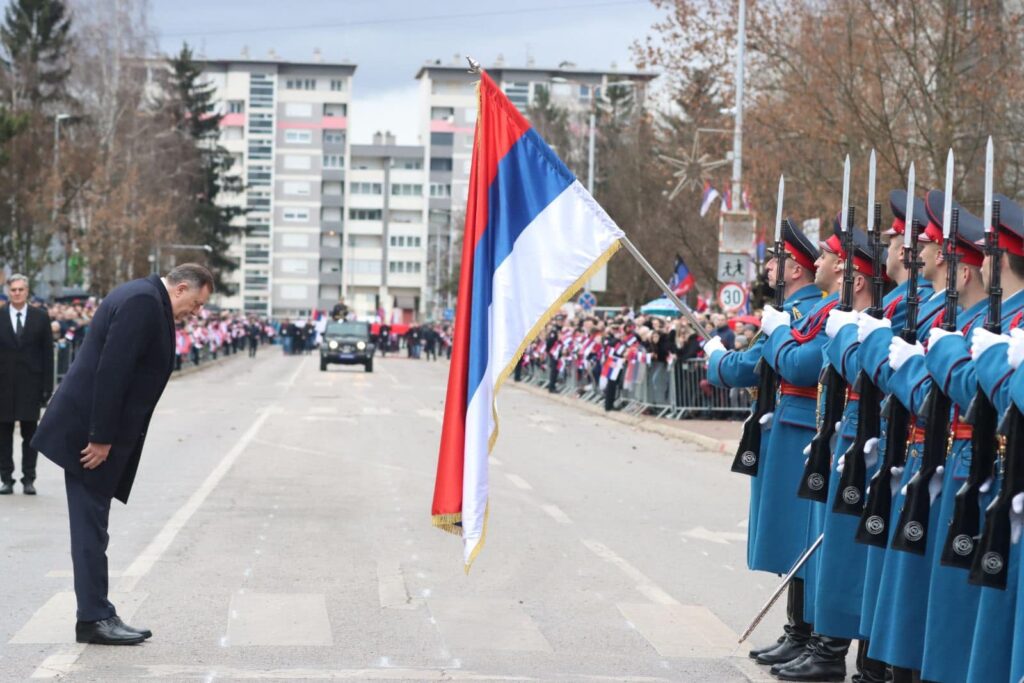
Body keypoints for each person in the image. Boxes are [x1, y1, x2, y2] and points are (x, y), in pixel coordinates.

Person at [31, 264, 212, 646]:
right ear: (180, 289)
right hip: (88, 437)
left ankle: (98, 611)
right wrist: (100, 437)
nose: (195, 314)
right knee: (90, 529)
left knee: (94, 527)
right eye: (196, 305)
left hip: (95, 432)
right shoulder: (144, 302)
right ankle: (93, 618)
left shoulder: (146, 298)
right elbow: (112, 371)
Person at [705, 219, 824, 670]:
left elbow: (748, 367)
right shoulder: (793, 311)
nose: (769, 266)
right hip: (785, 425)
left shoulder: (798, 314)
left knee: (800, 534)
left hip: (799, 429)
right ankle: (798, 631)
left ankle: (808, 635)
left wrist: (717, 357)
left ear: (795, 269)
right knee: (794, 535)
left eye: (776, 260)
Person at [0, 274, 54, 495]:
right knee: (3, 437)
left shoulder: (40, 317)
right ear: (8, 291)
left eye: (21, 289)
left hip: (31, 386)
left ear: (27, 291)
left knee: (30, 436)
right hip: (3, 387)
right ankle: (6, 479)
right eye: (13, 290)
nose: (17, 293)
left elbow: (47, 355)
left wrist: (47, 388)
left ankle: (28, 478)